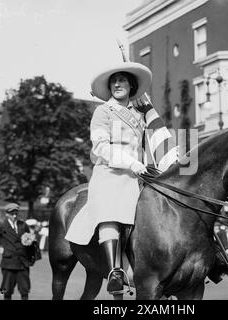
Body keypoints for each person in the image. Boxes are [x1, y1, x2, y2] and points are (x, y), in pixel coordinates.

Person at [64, 61, 174, 295]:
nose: (117, 84)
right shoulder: (103, 111)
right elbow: (101, 146)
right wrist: (131, 163)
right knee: (111, 213)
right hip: (111, 173)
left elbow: (147, 146)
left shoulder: (139, 115)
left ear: (131, 85)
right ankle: (115, 272)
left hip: (138, 175)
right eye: (114, 81)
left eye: (122, 80)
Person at [0, 203, 36, 300]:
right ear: (7, 214)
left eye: (16, 213)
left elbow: (30, 241)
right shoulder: (3, 226)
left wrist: (30, 244)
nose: (14, 216)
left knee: (25, 290)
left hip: (22, 263)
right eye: (12, 213)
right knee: (7, 291)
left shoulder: (23, 225)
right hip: (8, 263)